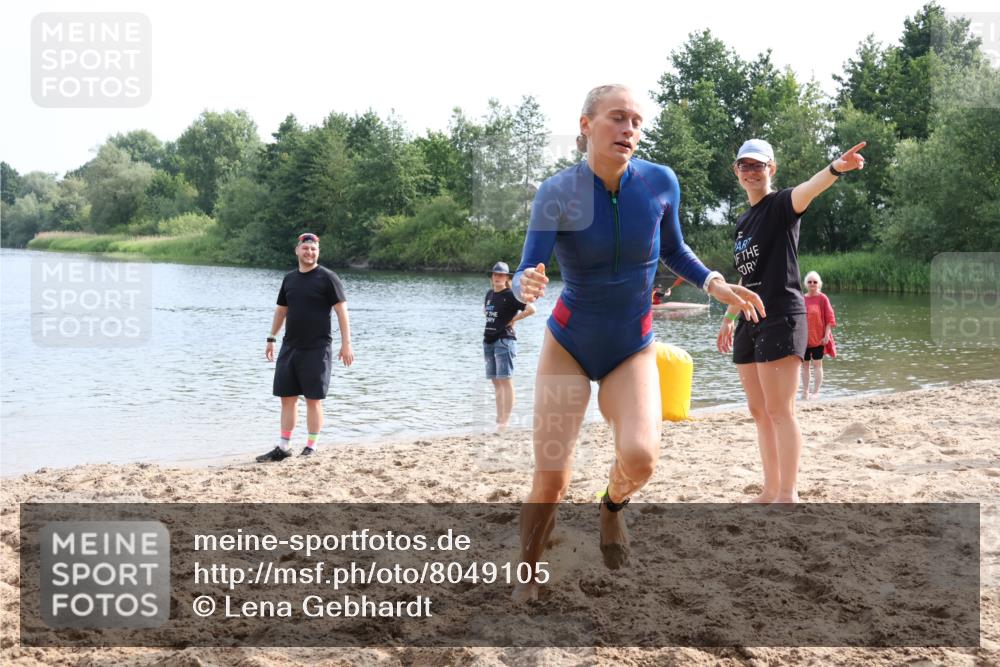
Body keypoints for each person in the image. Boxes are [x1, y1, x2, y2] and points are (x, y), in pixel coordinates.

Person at [511, 84, 764, 602]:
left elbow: (674, 249)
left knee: (642, 458)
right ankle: (528, 570)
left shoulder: (658, 183)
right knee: (552, 480)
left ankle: (611, 508)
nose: (629, 129)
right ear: (586, 125)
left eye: (636, 121)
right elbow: (527, 267)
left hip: (632, 344)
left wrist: (714, 284)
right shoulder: (558, 192)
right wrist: (523, 286)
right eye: (617, 118)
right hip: (570, 342)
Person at [717, 139, 865, 503]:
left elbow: (809, 189)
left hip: (782, 315)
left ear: (772, 169)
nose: (751, 172)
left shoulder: (781, 205)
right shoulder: (742, 222)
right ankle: (769, 489)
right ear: (736, 172)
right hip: (749, 318)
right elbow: (748, 277)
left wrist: (835, 168)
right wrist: (729, 314)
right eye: (745, 166)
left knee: (780, 409)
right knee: (758, 410)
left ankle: (788, 493)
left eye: (758, 165)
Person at [257, 232, 354, 462]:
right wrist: (271, 337)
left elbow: (342, 311)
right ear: (297, 250)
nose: (309, 252)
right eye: (306, 248)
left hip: (317, 348)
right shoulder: (289, 279)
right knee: (287, 397)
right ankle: (283, 446)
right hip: (290, 347)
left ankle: (311, 446)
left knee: (313, 399)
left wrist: (346, 344)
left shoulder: (328, 278)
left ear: (317, 252)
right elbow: (281, 310)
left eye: (314, 249)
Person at [484, 261, 536, 432]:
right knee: (495, 381)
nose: (498, 277)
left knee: (505, 380)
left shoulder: (512, 294)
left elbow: (531, 309)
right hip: (489, 340)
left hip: (505, 340)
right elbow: (487, 311)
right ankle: (499, 418)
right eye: (495, 274)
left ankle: (505, 422)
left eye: (501, 275)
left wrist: (513, 320)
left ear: (507, 278)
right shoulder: (490, 294)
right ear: (492, 276)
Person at [801, 270, 837, 400]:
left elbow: (829, 317)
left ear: (819, 284)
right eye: (809, 282)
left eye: (815, 282)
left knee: (817, 364)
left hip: (819, 338)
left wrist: (827, 335)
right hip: (804, 339)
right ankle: (805, 391)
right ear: (806, 284)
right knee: (804, 365)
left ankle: (815, 392)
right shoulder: (802, 298)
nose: (812, 284)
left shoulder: (822, 298)